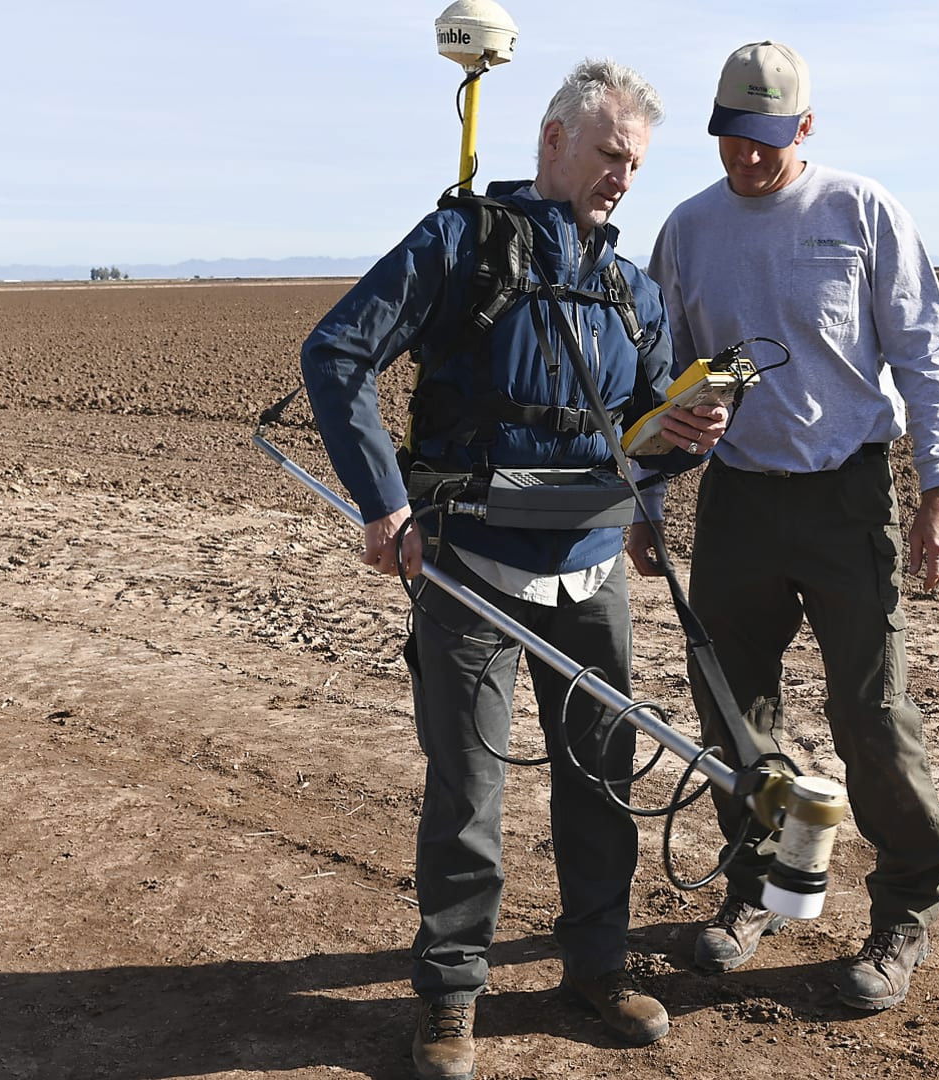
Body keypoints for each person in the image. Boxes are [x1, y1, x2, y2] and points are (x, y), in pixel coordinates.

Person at [300, 59, 726, 1080]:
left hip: (592, 571)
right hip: (473, 571)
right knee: (467, 792)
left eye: (637, 164)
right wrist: (384, 501)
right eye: (611, 154)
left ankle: (597, 969)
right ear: (553, 141)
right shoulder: (460, 244)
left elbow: (641, 431)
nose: (624, 177)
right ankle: (450, 995)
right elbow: (337, 353)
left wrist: (686, 436)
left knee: (603, 782)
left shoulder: (630, 289)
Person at [630, 40, 939, 1012]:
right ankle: (758, 889)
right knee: (733, 708)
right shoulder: (689, 229)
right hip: (738, 498)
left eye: (765, 138)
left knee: (871, 715)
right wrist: (649, 499)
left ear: (805, 128)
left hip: (845, 497)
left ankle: (903, 912)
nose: (745, 156)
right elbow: (662, 377)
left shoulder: (860, 211)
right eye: (730, 135)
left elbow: (925, 348)